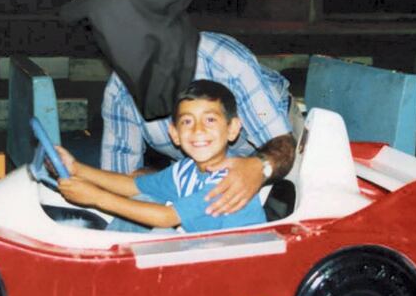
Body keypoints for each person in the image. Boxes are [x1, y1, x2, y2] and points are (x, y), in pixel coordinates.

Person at [60, 0, 300, 218]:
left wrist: (260, 167)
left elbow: (282, 144)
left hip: (269, 140)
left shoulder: (225, 61)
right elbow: (123, 177)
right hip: (199, 160)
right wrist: (76, 171)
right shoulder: (121, 91)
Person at [55, 80, 267, 233]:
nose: (198, 130)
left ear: (232, 129)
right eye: (187, 122)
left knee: (159, 229)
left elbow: (166, 218)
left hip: (235, 265)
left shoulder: (227, 180)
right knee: (144, 200)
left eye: (210, 120)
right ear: (174, 134)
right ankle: (107, 253)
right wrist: (76, 168)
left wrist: (96, 198)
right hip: (203, 247)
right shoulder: (186, 169)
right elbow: (134, 186)